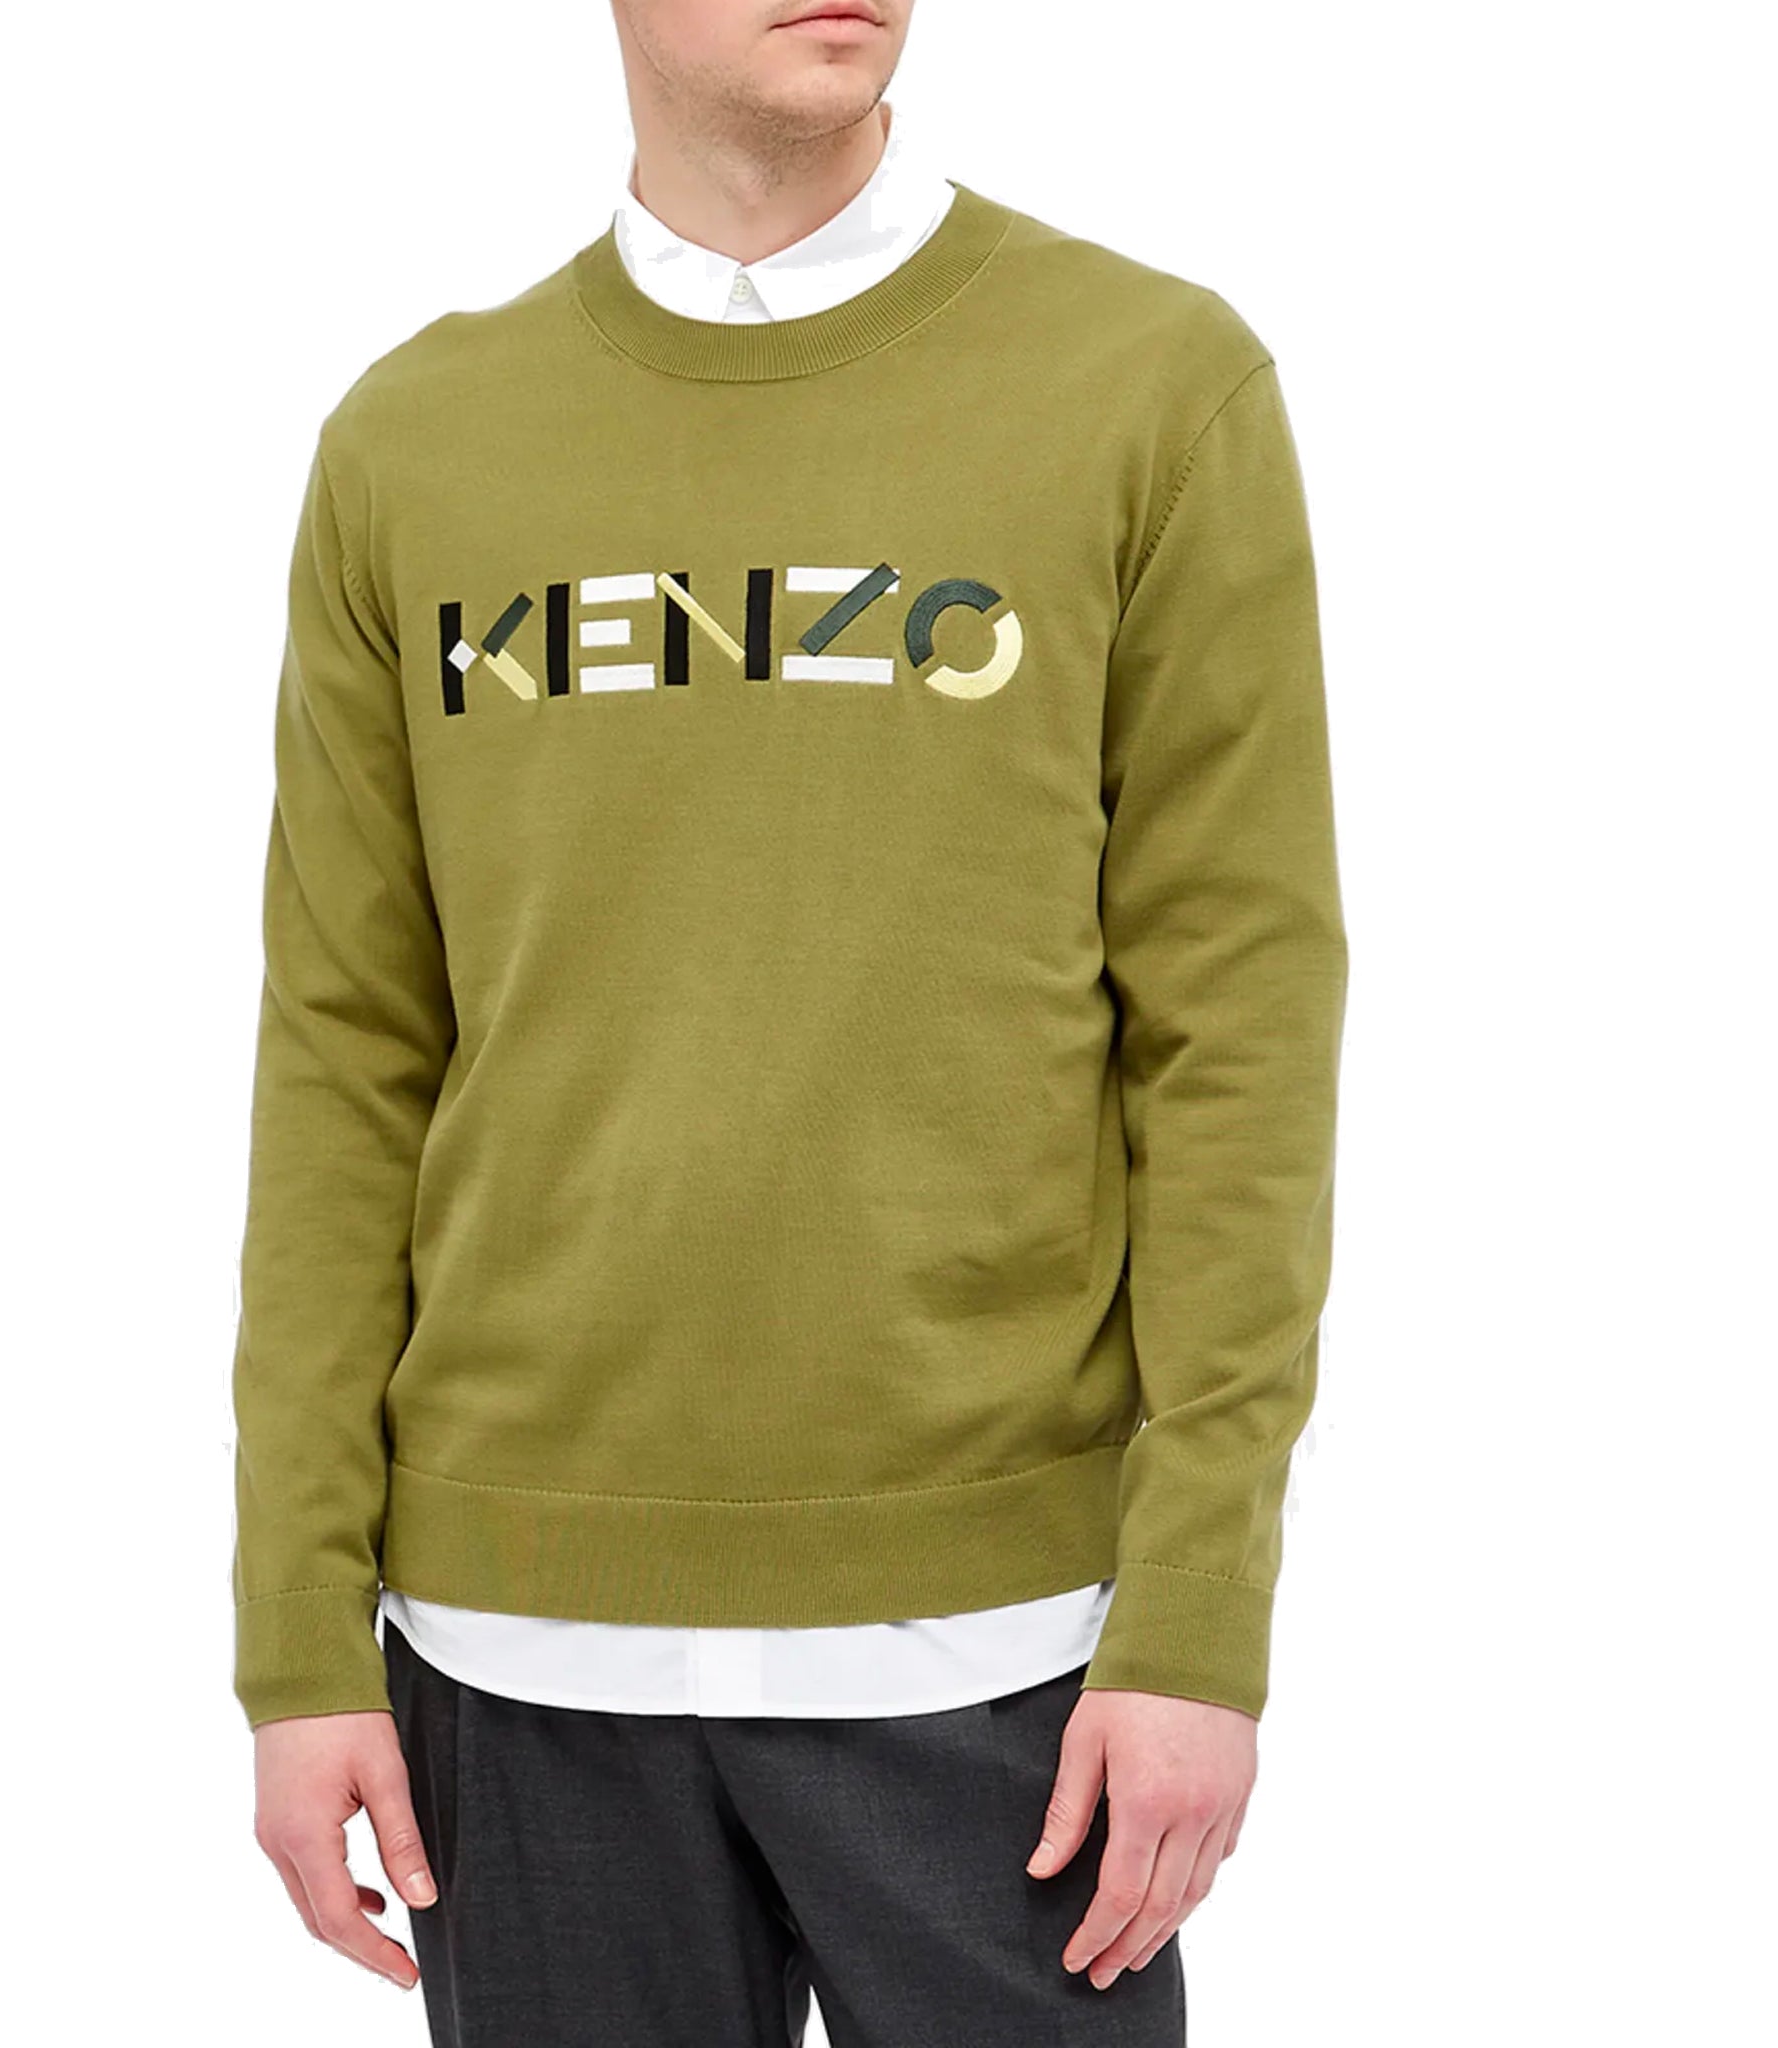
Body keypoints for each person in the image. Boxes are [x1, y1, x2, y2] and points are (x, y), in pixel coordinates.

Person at [229, 3, 1348, 2041]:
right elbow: (344, 1055)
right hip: (511, 1657)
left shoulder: (1151, 385)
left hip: (1011, 1659)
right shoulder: (416, 442)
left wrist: (1198, 1612)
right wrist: (299, 1630)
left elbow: (1239, 1036)